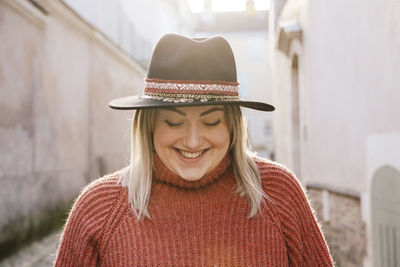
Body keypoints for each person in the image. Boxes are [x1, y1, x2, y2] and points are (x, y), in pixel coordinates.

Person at [55, 34, 333, 266]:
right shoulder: (99, 209)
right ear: (149, 126)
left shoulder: (277, 194)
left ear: (232, 126)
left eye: (211, 121)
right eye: (174, 122)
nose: (192, 141)